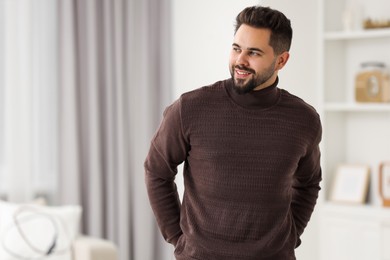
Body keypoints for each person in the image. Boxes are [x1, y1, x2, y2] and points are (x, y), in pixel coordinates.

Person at [144, 5, 322, 260]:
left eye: (254, 53)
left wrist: (291, 237)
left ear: (281, 60)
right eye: (237, 48)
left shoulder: (304, 120)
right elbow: (156, 171)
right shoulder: (190, 108)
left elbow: (308, 182)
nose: (240, 60)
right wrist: (179, 239)